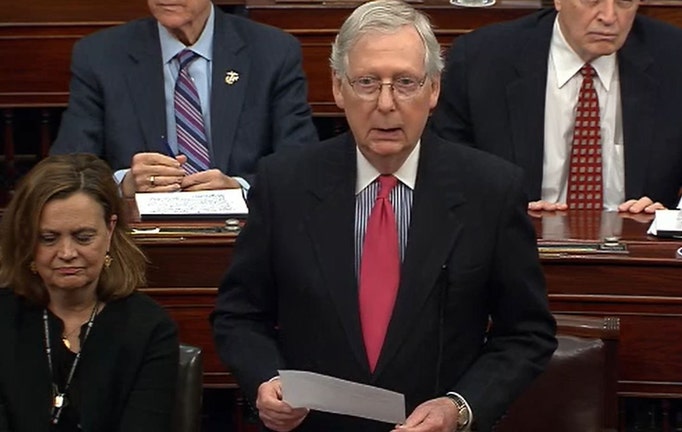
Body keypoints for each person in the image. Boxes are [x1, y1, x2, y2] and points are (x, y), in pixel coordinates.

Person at [211, 1, 557, 431]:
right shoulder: (285, 184)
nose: (386, 103)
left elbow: (526, 334)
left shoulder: (490, 190)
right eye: (367, 82)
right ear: (339, 88)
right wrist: (266, 381)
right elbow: (239, 315)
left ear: (433, 90)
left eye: (406, 82)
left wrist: (459, 407)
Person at [430, 0, 682, 213]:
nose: (609, 16)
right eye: (592, 0)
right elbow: (447, 171)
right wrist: (504, 211)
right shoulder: (482, 60)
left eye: (623, 1)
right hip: (511, 251)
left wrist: (669, 220)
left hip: (637, 256)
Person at [50, 0, 318, 197]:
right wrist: (123, 185)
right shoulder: (100, 56)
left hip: (247, 233)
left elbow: (301, 165)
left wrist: (240, 188)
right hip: (137, 239)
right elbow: (65, 170)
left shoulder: (273, 52)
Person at [0, 154, 179, 431]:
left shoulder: (150, 328)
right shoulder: (4, 317)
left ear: (109, 230)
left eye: (83, 237)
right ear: (26, 237)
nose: (67, 253)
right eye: (48, 238)